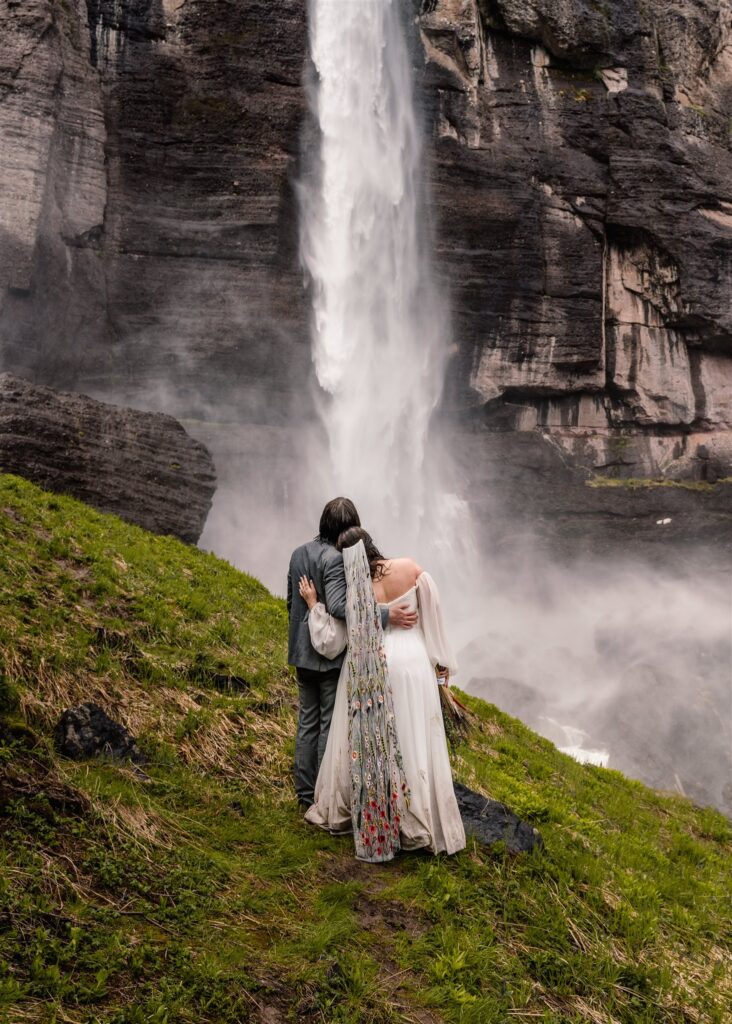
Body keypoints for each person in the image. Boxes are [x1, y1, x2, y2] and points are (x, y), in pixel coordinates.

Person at [298, 527, 466, 861]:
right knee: (412, 737)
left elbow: (336, 640)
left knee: (379, 742)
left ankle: (376, 810)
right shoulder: (409, 567)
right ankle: (417, 813)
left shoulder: (356, 593)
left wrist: (314, 604)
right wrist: (441, 660)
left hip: (374, 664)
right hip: (414, 663)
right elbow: (433, 616)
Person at [287, 499, 418, 811]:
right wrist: (387, 616)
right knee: (328, 724)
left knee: (307, 720)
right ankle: (320, 796)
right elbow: (340, 608)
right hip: (327, 655)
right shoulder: (335, 558)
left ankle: (304, 793)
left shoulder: (298, 553)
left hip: (302, 651)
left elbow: (291, 600)